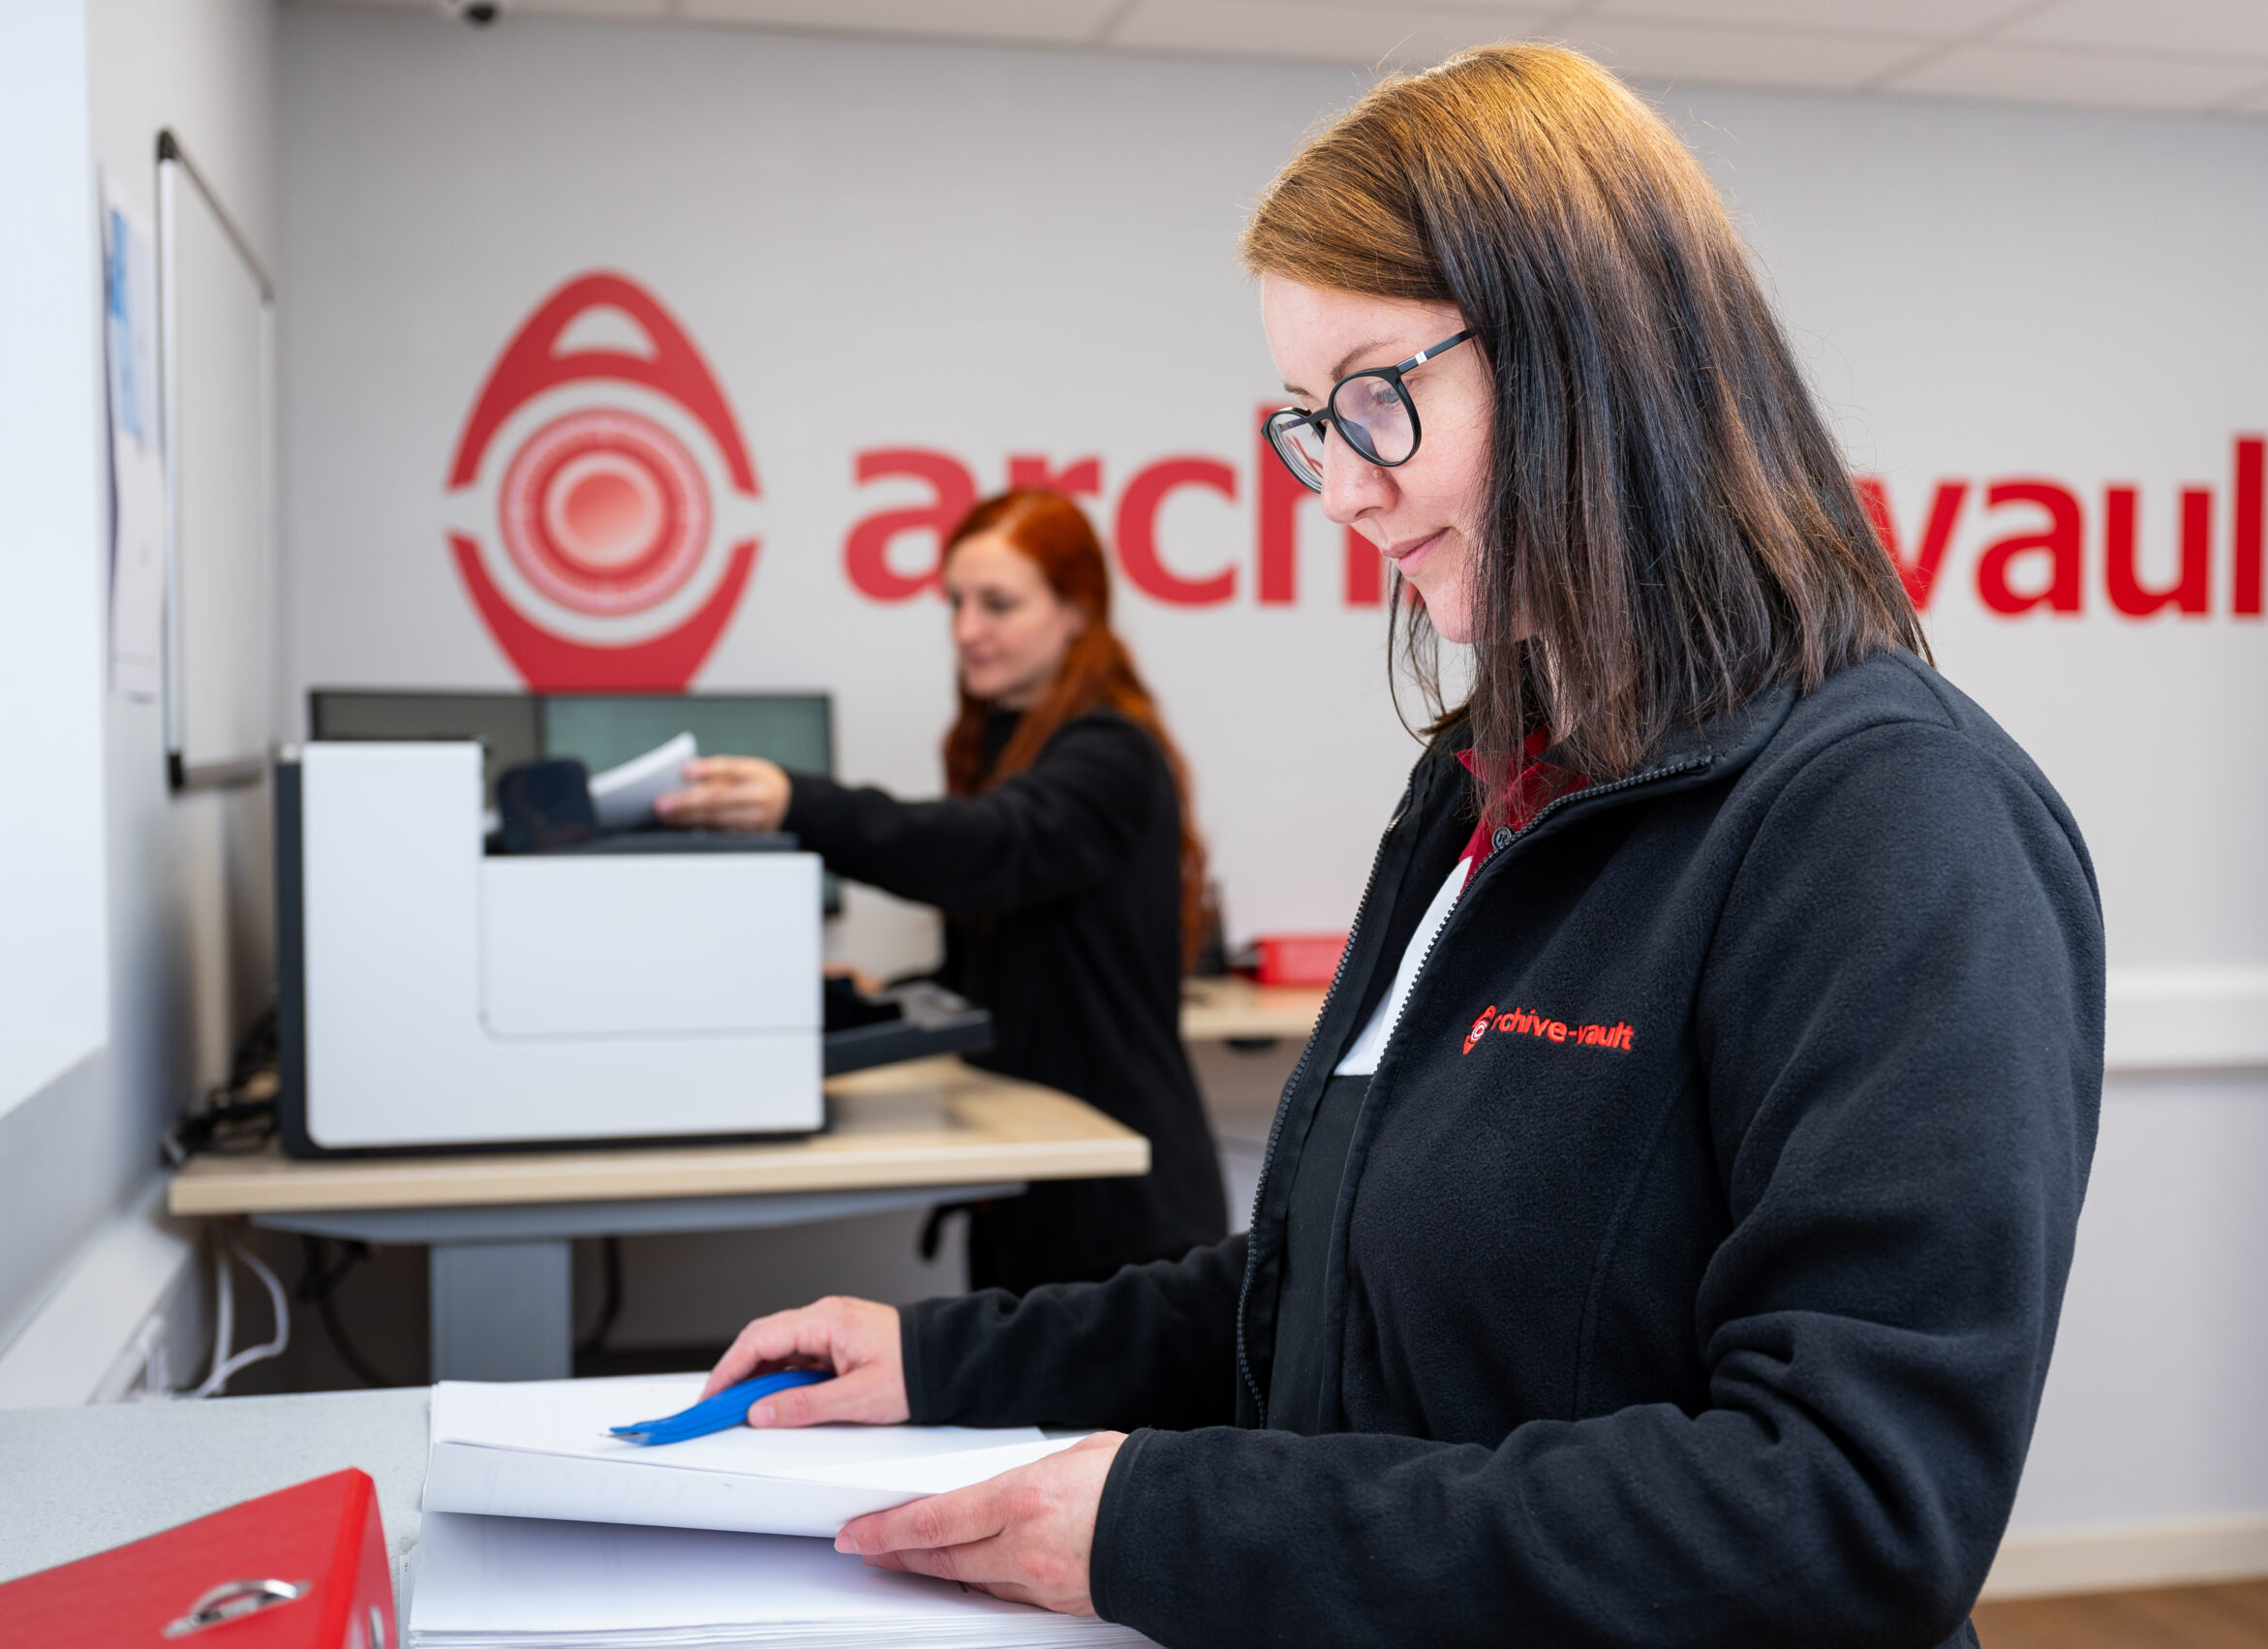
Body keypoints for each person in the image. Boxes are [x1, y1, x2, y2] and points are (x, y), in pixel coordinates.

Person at [698, 44, 2103, 1649]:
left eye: (1381, 395)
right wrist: (948, 1362)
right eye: (1310, 423)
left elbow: (1850, 1510)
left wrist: (1177, 1522)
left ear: (1593, 350)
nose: (1344, 489)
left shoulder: (1895, 824)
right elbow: (1333, 1290)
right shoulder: (1477, 792)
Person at [657, 489, 1228, 1293]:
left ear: (1077, 609)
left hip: (1118, 1207)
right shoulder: (1004, 740)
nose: (966, 629)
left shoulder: (1109, 753)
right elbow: (1014, 968)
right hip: (1032, 1175)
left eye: (998, 603)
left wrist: (800, 805)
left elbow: (987, 847)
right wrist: (888, 998)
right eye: (956, 603)